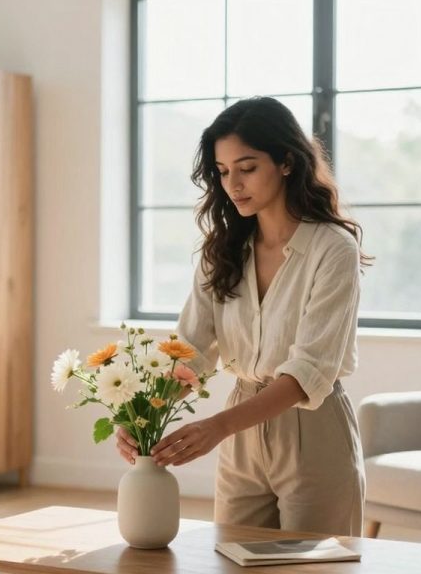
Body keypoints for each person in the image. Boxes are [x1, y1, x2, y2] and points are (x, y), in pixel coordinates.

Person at [115, 96, 369, 536]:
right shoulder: (221, 252)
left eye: (247, 167)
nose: (233, 184)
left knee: (310, 571)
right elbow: (190, 352)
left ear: (286, 162)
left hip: (313, 432)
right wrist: (138, 416)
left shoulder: (333, 249)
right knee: (232, 560)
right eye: (223, 171)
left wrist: (216, 427)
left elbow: (309, 372)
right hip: (240, 435)